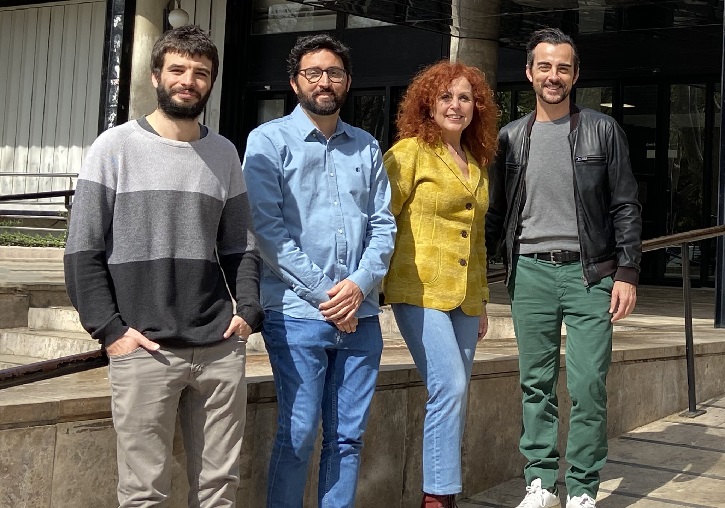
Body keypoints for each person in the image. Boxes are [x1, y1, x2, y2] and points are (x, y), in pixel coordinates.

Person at [64, 25, 263, 507]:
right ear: (156, 75)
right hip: (144, 347)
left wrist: (248, 310)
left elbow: (241, 245)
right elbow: (81, 250)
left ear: (211, 82)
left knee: (220, 488)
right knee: (143, 493)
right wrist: (111, 330)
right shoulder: (114, 148)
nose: (188, 80)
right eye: (177, 69)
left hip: (218, 345)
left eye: (200, 73)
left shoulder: (224, 153)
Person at [485, 28, 642, 508]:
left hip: (590, 275)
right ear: (530, 72)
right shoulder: (510, 138)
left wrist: (629, 272)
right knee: (535, 382)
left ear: (576, 75)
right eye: (546, 67)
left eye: (564, 68)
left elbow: (625, 205)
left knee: (589, 384)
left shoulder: (602, 129)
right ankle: (539, 484)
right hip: (530, 272)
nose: (555, 76)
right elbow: (494, 214)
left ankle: (582, 489)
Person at [241, 34, 396, 508]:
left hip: (361, 316)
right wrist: (330, 296)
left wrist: (358, 286)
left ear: (347, 82)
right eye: (314, 73)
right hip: (297, 314)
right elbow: (268, 232)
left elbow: (384, 226)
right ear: (295, 82)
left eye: (333, 73)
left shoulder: (367, 147)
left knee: (348, 439)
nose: (324, 81)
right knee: (299, 432)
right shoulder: (267, 141)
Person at [382, 61, 498, 508]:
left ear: (477, 107)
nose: (456, 105)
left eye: (465, 97)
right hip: (420, 290)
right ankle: (437, 499)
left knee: (456, 393)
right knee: (448, 386)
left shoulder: (475, 162)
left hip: (466, 298)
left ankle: (442, 493)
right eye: (446, 96)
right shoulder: (408, 152)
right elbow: (379, 220)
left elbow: (479, 237)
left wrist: (483, 299)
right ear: (427, 104)